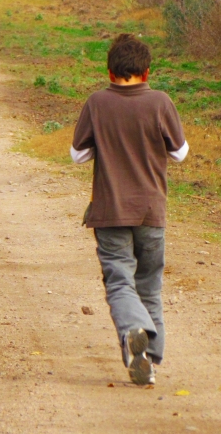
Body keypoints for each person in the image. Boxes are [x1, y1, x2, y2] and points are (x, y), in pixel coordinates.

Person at [70, 33, 188, 386]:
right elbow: (179, 153)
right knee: (149, 287)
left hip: (110, 212)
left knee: (120, 282)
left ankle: (134, 331)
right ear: (147, 72)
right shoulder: (161, 103)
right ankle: (148, 362)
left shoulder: (96, 103)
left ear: (109, 72)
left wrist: (106, 142)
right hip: (152, 211)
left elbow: (78, 155)